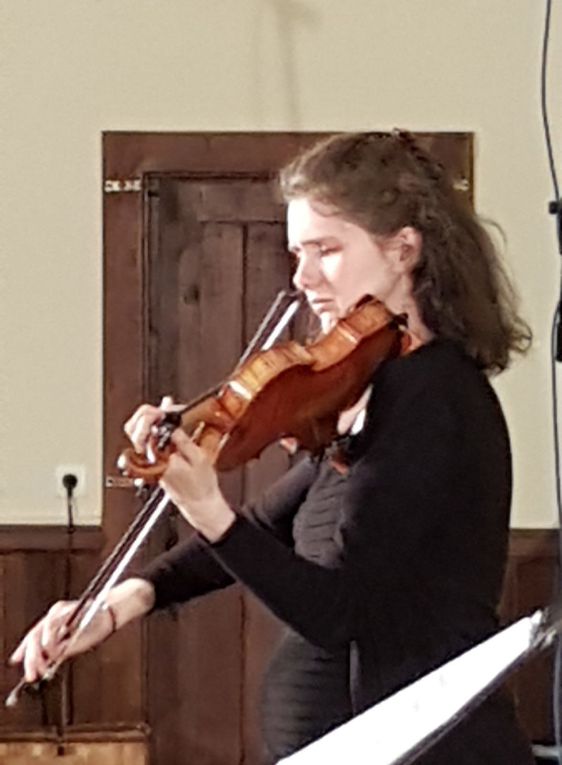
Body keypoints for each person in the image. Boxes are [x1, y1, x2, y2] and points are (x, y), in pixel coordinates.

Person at [11, 131, 535, 764]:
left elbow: (339, 613)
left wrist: (208, 507)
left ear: (404, 250)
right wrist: (119, 603)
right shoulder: (376, 392)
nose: (302, 276)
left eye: (327, 250)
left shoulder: (435, 396)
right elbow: (268, 526)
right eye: (297, 251)